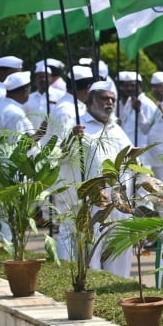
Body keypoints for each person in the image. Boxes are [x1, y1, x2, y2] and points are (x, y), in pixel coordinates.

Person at [56, 80, 135, 277]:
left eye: (112, 99)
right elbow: (60, 157)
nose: (109, 102)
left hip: (118, 208)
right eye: (104, 98)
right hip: (90, 208)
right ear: (91, 100)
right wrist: (70, 140)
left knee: (118, 265)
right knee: (90, 264)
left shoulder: (116, 129)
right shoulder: (77, 125)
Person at [0, 71, 36, 137]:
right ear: (25, 90)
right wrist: (40, 134)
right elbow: (18, 145)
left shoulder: (0, 106)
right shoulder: (15, 113)